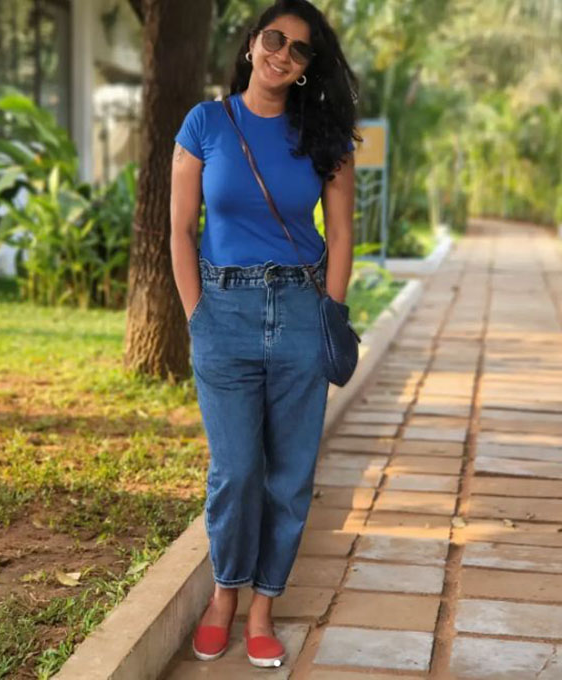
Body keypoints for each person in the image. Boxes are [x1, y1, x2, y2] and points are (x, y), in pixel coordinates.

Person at [170, 0, 359, 668]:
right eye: (275, 38)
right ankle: (224, 595)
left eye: (299, 49)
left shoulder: (323, 136)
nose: (283, 53)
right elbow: (180, 229)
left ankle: (263, 607)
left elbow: (341, 233)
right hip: (223, 314)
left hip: (301, 311)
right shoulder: (205, 123)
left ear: (306, 67)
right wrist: (196, 315)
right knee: (236, 470)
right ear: (253, 43)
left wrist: (330, 311)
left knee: (290, 477)